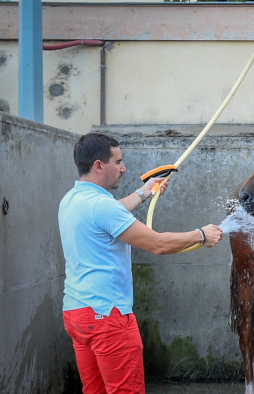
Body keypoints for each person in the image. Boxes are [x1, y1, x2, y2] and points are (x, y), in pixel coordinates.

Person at [58, 132, 223, 394]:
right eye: (118, 162)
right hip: (108, 318)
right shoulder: (102, 207)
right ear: (99, 165)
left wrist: (145, 192)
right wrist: (201, 235)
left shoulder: (72, 200)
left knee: (95, 390)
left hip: (78, 314)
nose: (124, 168)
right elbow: (157, 244)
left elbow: (111, 214)